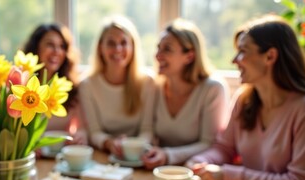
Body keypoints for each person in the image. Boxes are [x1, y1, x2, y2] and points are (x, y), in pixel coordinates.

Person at [186, 15, 305, 180]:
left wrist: (227, 174)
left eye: (243, 51)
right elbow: (224, 148)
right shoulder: (245, 100)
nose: (235, 60)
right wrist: (201, 161)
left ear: (270, 56)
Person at [141, 18, 229, 169]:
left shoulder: (213, 89)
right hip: (157, 170)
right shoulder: (154, 86)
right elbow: (147, 130)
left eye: (167, 49)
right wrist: (138, 148)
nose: (157, 55)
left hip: (194, 172)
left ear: (189, 57)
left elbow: (208, 144)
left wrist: (167, 155)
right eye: (158, 48)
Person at [79, 15, 155, 157]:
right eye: (111, 43)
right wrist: (109, 143)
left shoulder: (147, 82)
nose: (118, 49)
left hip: (139, 155)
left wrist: (132, 147)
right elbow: (94, 132)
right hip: (104, 154)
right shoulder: (87, 85)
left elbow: (147, 129)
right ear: (101, 47)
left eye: (123, 43)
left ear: (132, 47)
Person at [23, 23, 87, 146]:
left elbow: (82, 129)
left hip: (60, 158)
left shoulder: (69, 87)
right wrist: (27, 146)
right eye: (50, 45)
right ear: (36, 48)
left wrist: (79, 137)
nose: (57, 52)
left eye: (62, 46)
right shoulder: (22, 85)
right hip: (31, 157)